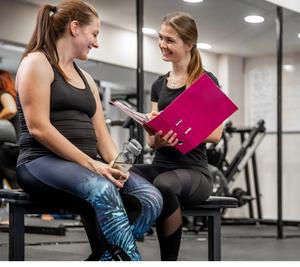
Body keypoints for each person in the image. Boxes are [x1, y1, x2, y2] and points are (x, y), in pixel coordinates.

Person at [15, 0, 163, 264]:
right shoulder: (36, 62)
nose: (96, 43)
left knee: (150, 197)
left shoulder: (86, 79)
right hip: (40, 162)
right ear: (75, 28)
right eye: (94, 34)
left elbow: (102, 135)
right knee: (103, 190)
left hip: (86, 166)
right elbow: (38, 127)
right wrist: (95, 166)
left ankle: (103, 259)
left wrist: (117, 167)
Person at [131, 12, 223, 264]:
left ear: (188, 45)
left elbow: (216, 134)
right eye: (161, 38)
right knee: (119, 174)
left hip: (193, 172)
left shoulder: (205, 81)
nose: (162, 44)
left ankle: (169, 261)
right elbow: (150, 142)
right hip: (161, 164)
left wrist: (182, 131)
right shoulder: (159, 85)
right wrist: (157, 139)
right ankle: (120, 250)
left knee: (163, 185)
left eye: (170, 40)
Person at [0, 69, 20, 190]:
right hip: (13, 144)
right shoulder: (14, 95)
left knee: (14, 181)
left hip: (8, 146)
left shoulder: (4, 94)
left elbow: (10, 110)